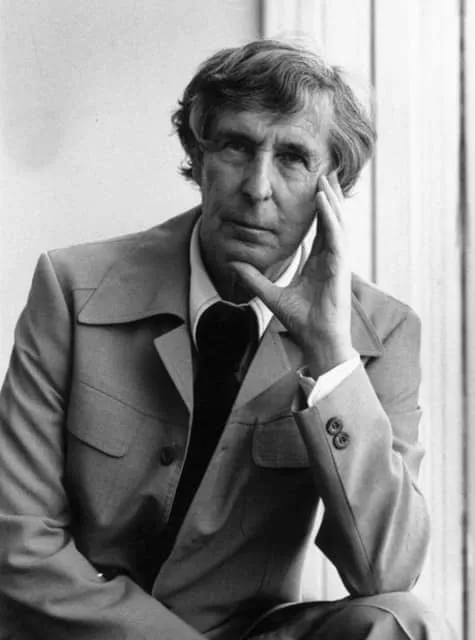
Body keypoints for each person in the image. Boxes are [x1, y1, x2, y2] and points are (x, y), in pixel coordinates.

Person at [0, 39, 454, 639]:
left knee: (407, 623)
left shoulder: (381, 332)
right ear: (199, 156)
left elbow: (385, 569)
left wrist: (331, 357)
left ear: (332, 187)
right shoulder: (73, 287)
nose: (257, 187)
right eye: (238, 146)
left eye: (293, 157)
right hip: (79, 632)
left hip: (251, 631)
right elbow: (18, 540)